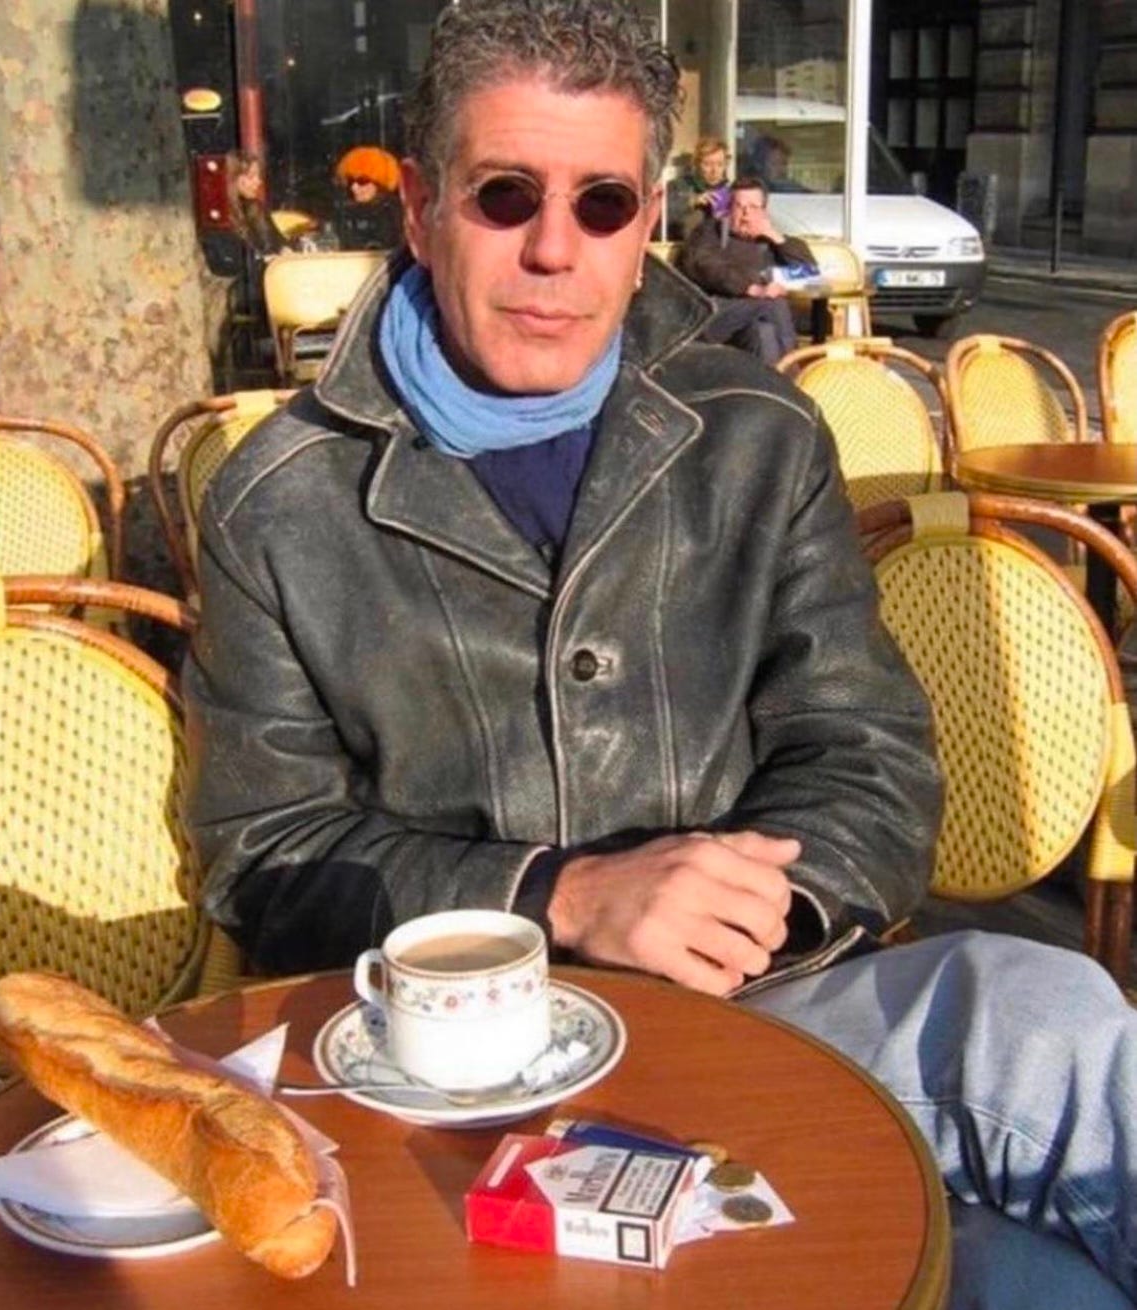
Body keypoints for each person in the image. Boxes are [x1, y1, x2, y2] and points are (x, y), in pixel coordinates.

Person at [184, 5, 1137, 1307]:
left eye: (601, 203)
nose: (551, 248)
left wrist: (743, 912)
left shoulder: (755, 434)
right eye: (504, 194)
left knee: (1049, 1017)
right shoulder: (280, 500)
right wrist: (560, 898)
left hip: (757, 1012)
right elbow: (263, 851)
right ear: (419, 207)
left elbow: (864, 749)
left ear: (646, 227)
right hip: (441, 1086)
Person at [678, 175, 817, 365]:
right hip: (714, 316)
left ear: (764, 211)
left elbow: (810, 273)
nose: (745, 214)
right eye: (739, 206)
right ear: (729, 208)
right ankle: (791, 372)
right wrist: (752, 288)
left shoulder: (772, 241)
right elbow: (704, 265)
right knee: (771, 302)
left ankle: (774, 380)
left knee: (764, 333)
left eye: (753, 207)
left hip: (753, 324)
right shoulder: (710, 232)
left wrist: (774, 236)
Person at [333, 145, 404, 251]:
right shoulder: (344, 213)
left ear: (380, 184)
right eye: (350, 181)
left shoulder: (398, 214)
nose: (354, 187)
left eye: (362, 181)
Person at [225, 151, 289, 257]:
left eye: (258, 176)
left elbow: (278, 241)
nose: (258, 181)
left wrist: (285, 249)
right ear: (233, 179)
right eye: (251, 176)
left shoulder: (256, 208)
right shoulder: (223, 218)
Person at [666, 135, 731, 239]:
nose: (714, 170)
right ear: (696, 164)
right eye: (707, 164)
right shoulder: (678, 186)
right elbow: (661, 216)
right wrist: (692, 201)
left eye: (720, 164)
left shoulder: (732, 192)